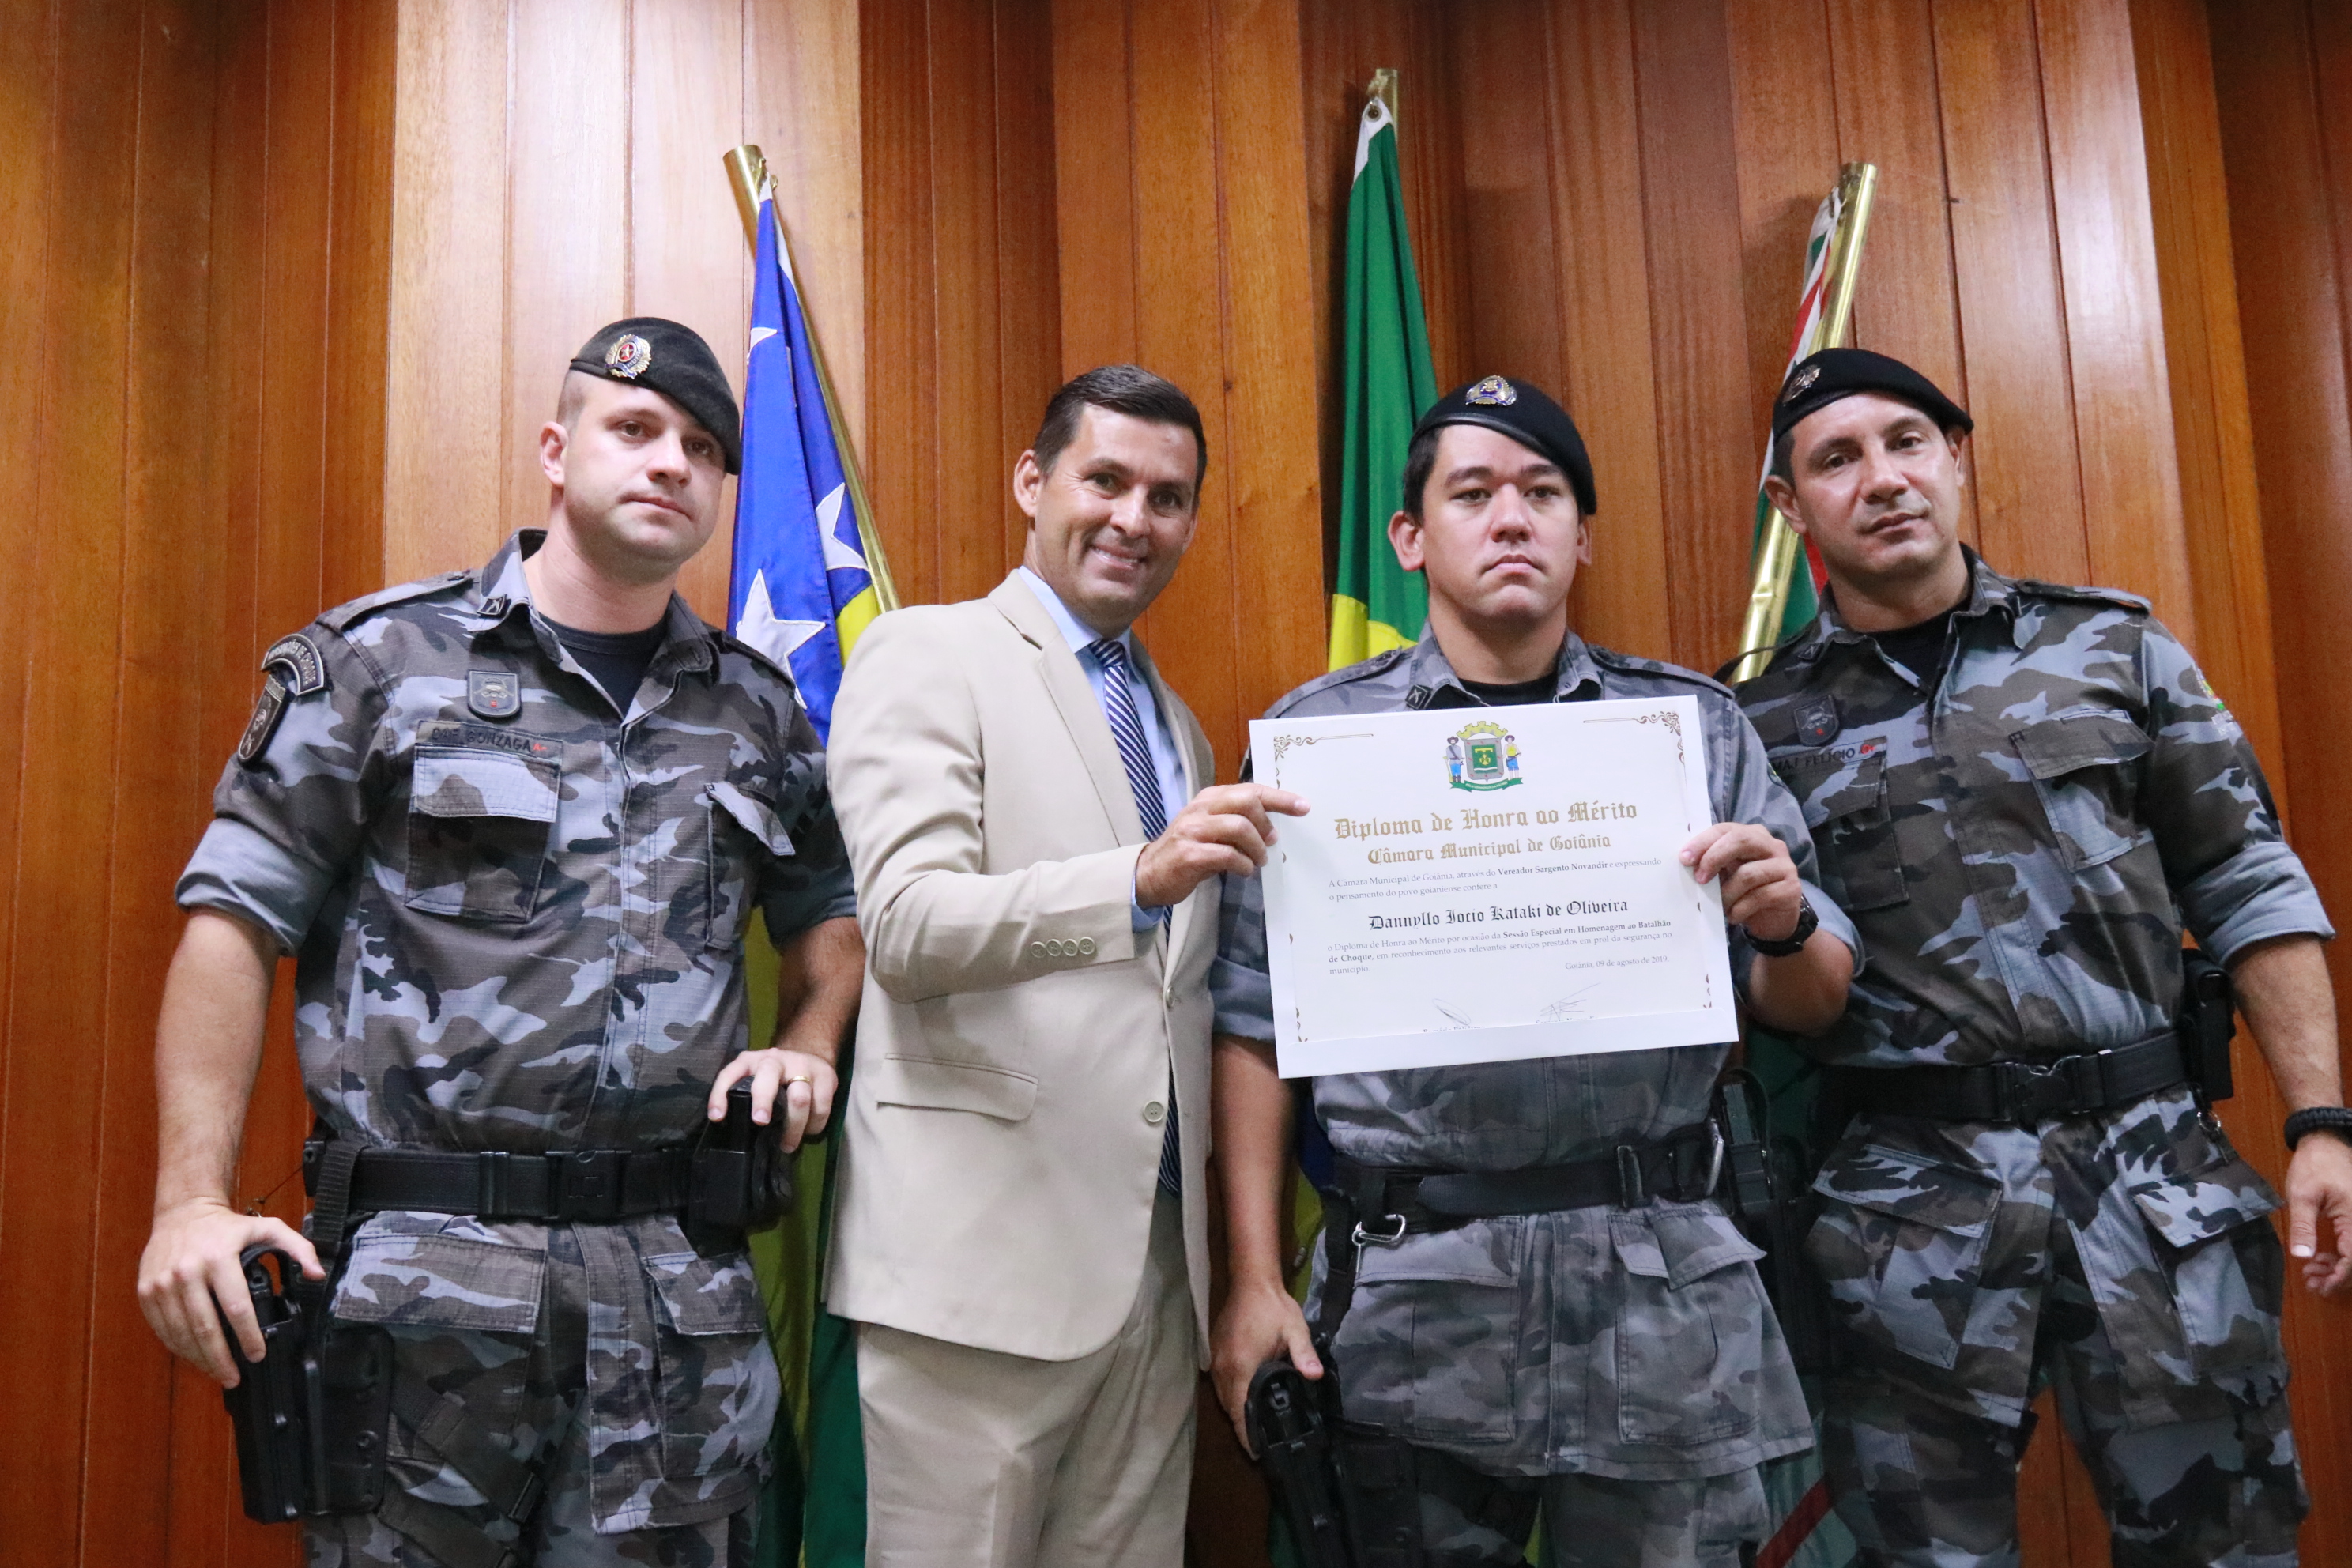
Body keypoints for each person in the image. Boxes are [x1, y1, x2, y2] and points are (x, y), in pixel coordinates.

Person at [136, 318, 865, 1566]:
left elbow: (830, 918)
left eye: (702, 448)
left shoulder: (754, 708)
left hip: (674, 1304)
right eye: (634, 428)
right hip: (427, 1300)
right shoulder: (379, 663)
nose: (671, 462)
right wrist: (189, 1203)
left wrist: (809, 1040)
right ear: (555, 450)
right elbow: (233, 921)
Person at [1209, 375, 1859, 1568]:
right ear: (1409, 538)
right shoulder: (1315, 746)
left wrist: (1781, 926)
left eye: (1543, 492)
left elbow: (1813, 1000)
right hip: (1413, 1299)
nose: (1511, 517)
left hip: (1658, 1294)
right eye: (1473, 494)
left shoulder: (1690, 731)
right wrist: (1253, 1279)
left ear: (1582, 536)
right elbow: (1254, 1026)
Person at [1736, 345, 2352, 1566]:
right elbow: (1774, 992)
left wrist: (2322, 1123)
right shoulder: (1756, 722)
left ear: (1956, 458)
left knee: (2222, 1546)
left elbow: (2248, 881)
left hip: (2152, 1177)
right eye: (1838, 459)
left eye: (1909, 442)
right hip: (1907, 1203)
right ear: (1790, 505)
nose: (1884, 478)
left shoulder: (2113, 647)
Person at [823, 365, 1304, 1567]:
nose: (1136, 519)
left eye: (1168, 498)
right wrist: (1135, 878)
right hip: (976, 1284)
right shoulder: (928, 653)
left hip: (1154, 1282)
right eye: (1106, 481)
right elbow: (907, 927)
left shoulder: (1177, 726)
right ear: (1033, 482)